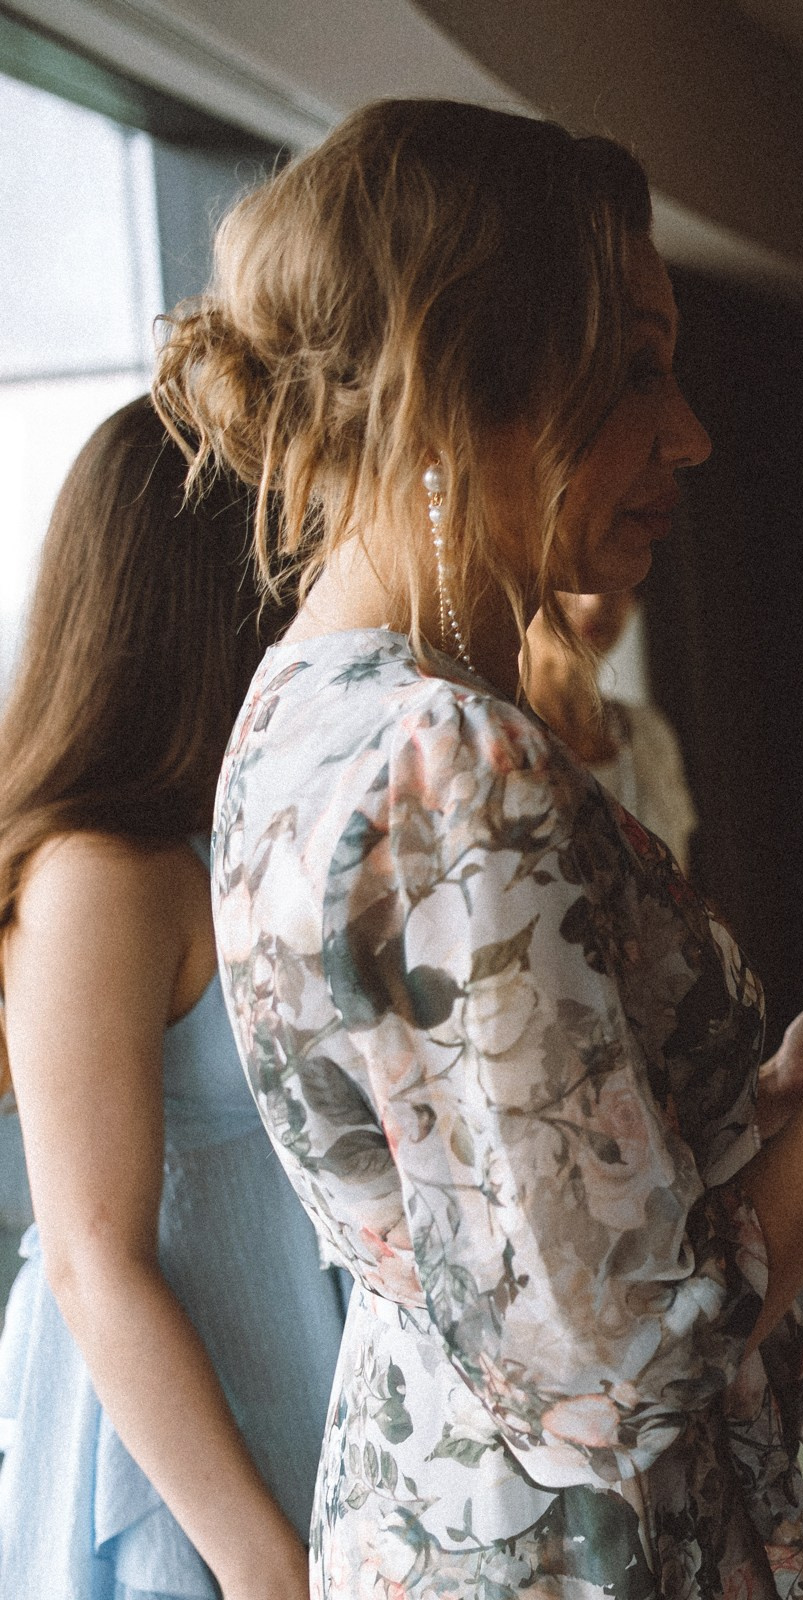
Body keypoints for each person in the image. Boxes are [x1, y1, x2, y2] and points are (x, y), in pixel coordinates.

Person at [152, 99, 803, 1600]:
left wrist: (784, 1083)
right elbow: (625, 1371)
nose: (692, 434)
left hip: (423, 1505)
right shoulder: (452, 761)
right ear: (464, 384)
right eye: (636, 371)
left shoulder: (298, 706)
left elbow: (498, 1187)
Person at [0, 398, 340, 1600]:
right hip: (186, 1430)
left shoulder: (232, 827)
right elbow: (94, 1255)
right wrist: (264, 1567)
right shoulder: (96, 874)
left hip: (304, 1352)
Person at [524, 590, 698, 863]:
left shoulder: (650, 734)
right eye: (571, 581)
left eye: (613, 580)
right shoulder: (498, 736)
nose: (595, 601)